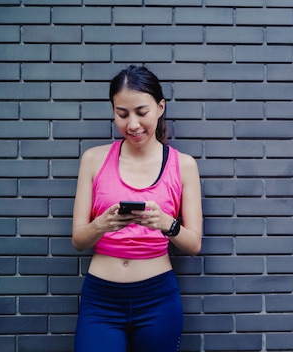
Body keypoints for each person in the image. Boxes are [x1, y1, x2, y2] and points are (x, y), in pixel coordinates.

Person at [71, 65, 203, 352]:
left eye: (141, 113)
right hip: (101, 298)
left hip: (157, 298)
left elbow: (194, 244)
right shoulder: (93, 160)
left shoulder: (183, 165)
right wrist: (100, 225)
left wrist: (166, 223)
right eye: (122, 114)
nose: (132, 124)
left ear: (160, 107)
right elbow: (79, 240)